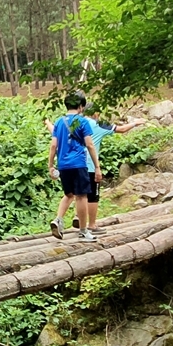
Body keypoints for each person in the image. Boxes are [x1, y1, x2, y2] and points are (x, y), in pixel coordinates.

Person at [77, 103, 145, 232]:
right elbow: (121, 129)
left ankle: (79, 220)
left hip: (75, 164)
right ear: (96, 113)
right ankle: (91, 225)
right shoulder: (98, 124)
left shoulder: (77, 123)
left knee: (80, 195)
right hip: (90, 165)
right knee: (93, 196)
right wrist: (135, 123)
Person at [48, 92, 101, 241]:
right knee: (81, 196)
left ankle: (58, 219)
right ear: (81, 106)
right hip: (78, 164)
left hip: (63, 165)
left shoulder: (59, 122)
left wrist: (51, 166)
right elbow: (90, 145)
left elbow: (53, 146)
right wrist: (97, 167)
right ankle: (83, 231)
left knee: (69, 194)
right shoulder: (82, 121)